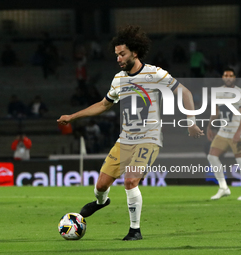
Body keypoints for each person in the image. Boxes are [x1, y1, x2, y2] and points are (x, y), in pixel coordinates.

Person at [57, 25, 204, 240]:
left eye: (122, 54)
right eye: (116, 54)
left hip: (149, 138)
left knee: (130, 180)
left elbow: (185, 92)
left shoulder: (154, 73)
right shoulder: (118, 79)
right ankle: (101, 202)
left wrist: (191, 121)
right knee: (100, 186)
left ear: (134, 52)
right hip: (125, 140)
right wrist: (73, 116)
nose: (118, 58)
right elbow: (103, 104)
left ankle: (135, 230)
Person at [207, 68, 241, 200]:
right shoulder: (217, 92)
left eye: (231, 75)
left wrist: (238, 132)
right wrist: (209, 126)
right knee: (212, 157)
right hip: (223, 132)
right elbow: (216, 111)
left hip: (237, 132)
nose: (228, 77)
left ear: (234, 78)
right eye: (226, 75)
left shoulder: (240, 92)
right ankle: (223, 188)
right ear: (222, 77)